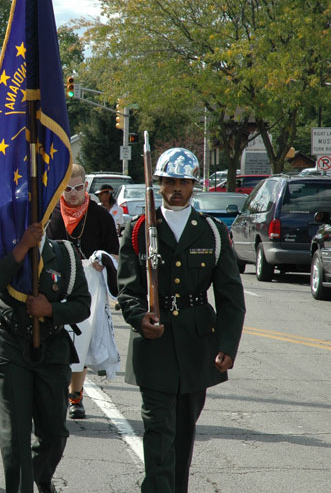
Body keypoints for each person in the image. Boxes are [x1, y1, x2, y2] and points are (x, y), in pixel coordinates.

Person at [117, 147, 245, 493]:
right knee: (159, 435)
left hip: (195, 347)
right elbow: (127, 291)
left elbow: (232, 299)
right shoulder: (139, 230)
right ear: (157, 184)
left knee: (184, 438)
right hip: (154, 346)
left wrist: (227, 346)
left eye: (183, 182)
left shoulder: (212, 232)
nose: (176, 188)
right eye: (169, 181)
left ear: (194, 186)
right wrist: (139, 318)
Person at [0, 222, 91, 493]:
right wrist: (22, 247)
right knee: (15, 433)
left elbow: (82, 305)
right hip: (9, 345)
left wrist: (50, 310)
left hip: (52, 348)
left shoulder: (64, 253)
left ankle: (39, 476)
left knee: (54, 433)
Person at [46, 163, 119, 419]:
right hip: (56, 284)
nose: (73, 193)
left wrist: (104, 260)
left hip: (88, 286)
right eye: (68, 189)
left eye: (78, 188)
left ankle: (75, 395)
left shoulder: (101, 216)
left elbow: (115, 254)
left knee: (82, 339)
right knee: (56, 338)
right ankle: (55, 394)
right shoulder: (50, 214)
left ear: (86, 186)